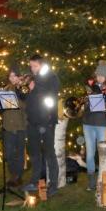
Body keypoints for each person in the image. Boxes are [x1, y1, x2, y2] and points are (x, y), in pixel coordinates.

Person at [22, 55, 61, 196]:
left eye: (35, 66)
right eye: (31, 66)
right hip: (32, 121)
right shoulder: (33, 78)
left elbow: (51, 94)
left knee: (49, 152)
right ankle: (35, 181)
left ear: (42, 65)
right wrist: (20, 89)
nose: (32, 69)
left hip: (47, 121)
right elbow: (26, 97)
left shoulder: (52, 77)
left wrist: (34, 87)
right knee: (34, 153)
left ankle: (54, 184)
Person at [81, 61, 106, 191]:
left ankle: (103, 180)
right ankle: (91, 181)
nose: (99, 77)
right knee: (90, 153)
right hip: (88, 123)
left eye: (102, 75)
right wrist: (85, 100)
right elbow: (85, 104)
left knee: (102, 153)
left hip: (102, 123)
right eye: (98, 75)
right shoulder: (90, 86)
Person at [2, 66, 28, 187]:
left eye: (14, 76)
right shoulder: (6, 89)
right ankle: (13, 174)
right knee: (8, 153)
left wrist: (15, 99)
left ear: (19, 77)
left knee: (19, 152)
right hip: (8, 125)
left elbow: (26, 106)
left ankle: (17, 176)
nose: (12, 78)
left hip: (20, 125)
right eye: (10, 76)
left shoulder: (24, 88)